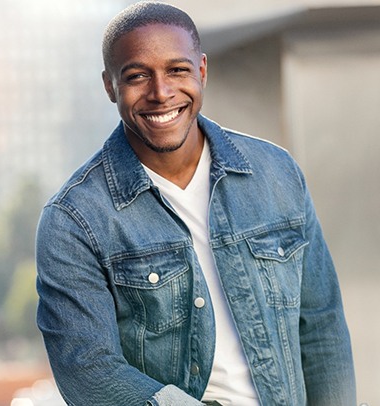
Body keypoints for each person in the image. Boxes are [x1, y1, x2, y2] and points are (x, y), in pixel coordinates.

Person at [35, 2, 356, 405]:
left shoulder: (276, 172)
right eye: (137, 76)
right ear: (109, 86)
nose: (161, 92)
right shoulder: (73, 221)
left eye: (177, 70)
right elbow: (88, 370)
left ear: (201, 71)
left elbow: (322, 327)